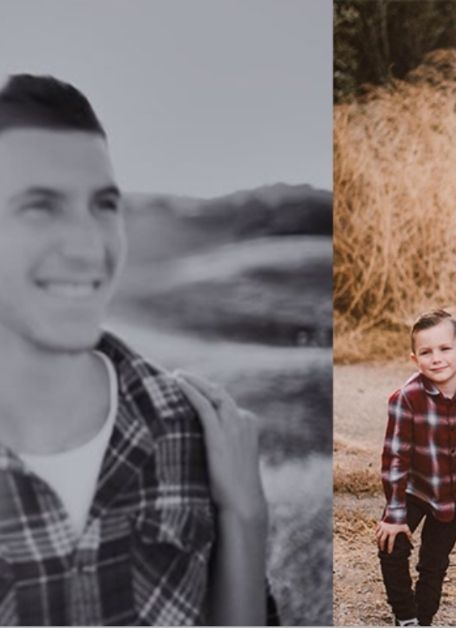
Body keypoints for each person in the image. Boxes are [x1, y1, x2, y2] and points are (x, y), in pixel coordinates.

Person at [0, 74, 267, 625]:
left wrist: (245, 515)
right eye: (39, 206)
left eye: (103, 205)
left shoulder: (190, 429)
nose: (87, 245)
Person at [374, 310, 456, 626]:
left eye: (445, 349)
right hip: (414, 488)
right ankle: (405, 616)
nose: (437, 359)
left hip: (454, 496)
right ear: (415, 358)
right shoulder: (406, 399)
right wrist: (395, 514)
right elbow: (395, 457)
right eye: (426, 352)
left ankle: (423, 618)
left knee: (434, 564)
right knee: (391, 547)